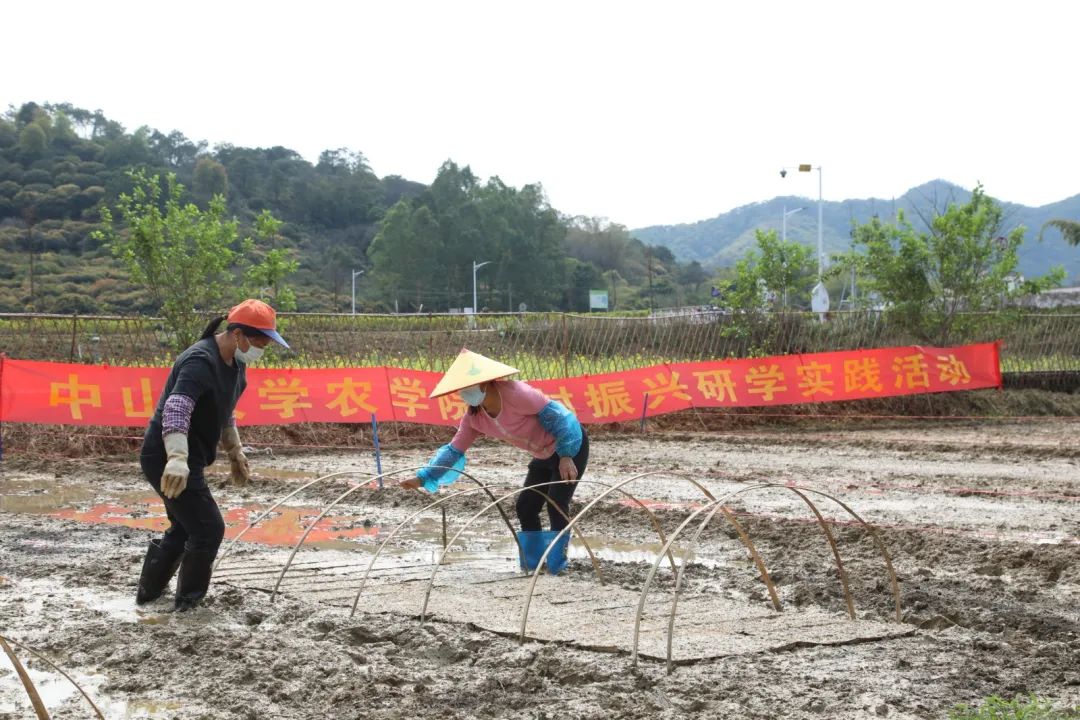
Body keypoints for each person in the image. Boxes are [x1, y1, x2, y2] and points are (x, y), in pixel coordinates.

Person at [134, 299, 288, 611]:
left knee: (184, 527)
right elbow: (178, 407)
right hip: (166, 454)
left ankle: (148, 595)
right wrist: (176, 458)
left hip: (190, 456)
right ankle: (189, 605)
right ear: (237, 334)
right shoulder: (200, 360)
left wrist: (235, 451)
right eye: (259, 341)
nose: (263, 348)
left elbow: (224, 412)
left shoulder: (237, 366)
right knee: (208, 528)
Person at [401, 349, 588, 572]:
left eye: (470, 386)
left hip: (570, 444)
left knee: (556, 502)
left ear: (488, 382)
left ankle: (558, 565)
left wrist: (566, 455)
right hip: (541, 454)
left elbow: (561, 419)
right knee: (526, 506)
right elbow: (454, 449)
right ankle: (534, 564)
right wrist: (423, 477)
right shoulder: (474, 418)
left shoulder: (518, 393)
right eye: (463, 389)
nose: (466, 393)